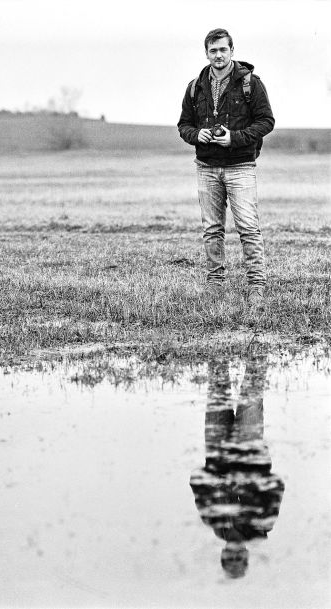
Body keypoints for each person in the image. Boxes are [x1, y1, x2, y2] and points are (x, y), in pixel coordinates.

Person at [177, 28, 275, 309]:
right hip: (206, 167)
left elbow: (266, 121)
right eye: (213, 50)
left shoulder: (250, 84)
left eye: (223, 49)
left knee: (248, 227)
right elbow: (183, 125)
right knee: (211, 229)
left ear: (232, 51)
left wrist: (235, 138)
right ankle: (215, 283)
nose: (218, 55)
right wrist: (198, 135)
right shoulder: (195, 86)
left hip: (241, 165)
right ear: (206, 53)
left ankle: (256, 284)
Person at [189, 354, 285, 578]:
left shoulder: (211, 519)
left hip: (217, 449)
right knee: (253, 391)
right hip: (249, 448)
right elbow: (277, 485)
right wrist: (250, 481)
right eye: (238, 558)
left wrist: (216, 481)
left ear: (222, 554)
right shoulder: (262, 524)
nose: (234, 554)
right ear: (246, 555)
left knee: (217, 386)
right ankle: (259, 334)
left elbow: (196, 479)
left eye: (230, 558)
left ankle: (214, 337)